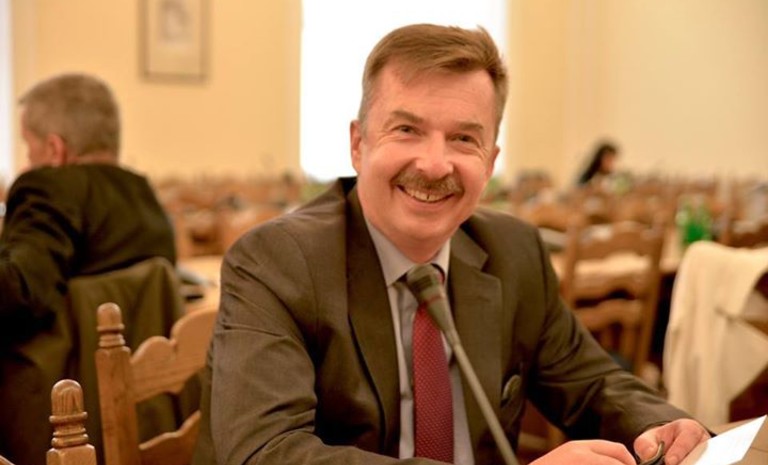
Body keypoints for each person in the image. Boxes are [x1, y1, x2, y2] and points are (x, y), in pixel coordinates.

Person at [193, 24, 708, 465]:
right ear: (358, 144)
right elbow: (267, 452)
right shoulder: (277, 262)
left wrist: (660, 424)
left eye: (464, 139)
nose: (435, 164)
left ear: (491, 159)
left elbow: (593, 383)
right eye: (406, 129)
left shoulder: (514, 251)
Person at [0, 73, 177, 465]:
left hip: (58, 419)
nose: (27, 161)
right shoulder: (143, 195)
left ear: (55, 149)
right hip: (143, 416)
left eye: (29, 148)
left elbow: (20, 292)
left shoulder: (48, 187)